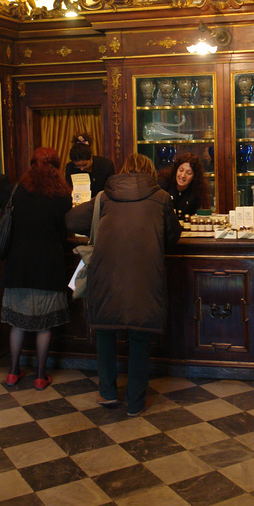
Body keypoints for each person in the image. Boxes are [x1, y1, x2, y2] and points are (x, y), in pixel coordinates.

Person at [65, 153, 181, 416]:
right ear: (150, 172)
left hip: (106, 272)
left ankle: (106, 391)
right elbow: (173, 236)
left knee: (105, 330)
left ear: (124, 171)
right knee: (139, 334)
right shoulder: (161, 197)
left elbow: (71, 220)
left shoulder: (104, 197)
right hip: (144, 274)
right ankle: (136, 401)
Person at [1, 147, 73, 389]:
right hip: (48, 266)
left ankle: (12, 372)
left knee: (17, 324)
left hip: (18, 266)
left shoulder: (17, 190)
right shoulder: (62, 195)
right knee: (44, 326)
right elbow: (64, 233)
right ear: (56, 166)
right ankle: (41, 376)